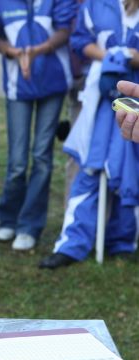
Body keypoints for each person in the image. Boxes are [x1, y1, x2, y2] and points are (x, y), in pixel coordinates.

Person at [39, 0, 139, 269]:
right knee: (90, 167)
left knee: (130, 167)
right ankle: (72, 243)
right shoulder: (95, 4)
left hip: (136, 98)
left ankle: (122, 241)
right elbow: (80, 40)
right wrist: (112, 56)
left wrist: (132, 57)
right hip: (101, 99)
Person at [0, 0, 75, 251]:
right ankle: (9, 219)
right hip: (18, 84)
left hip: (53, 82)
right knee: (17, 160)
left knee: (41, 156)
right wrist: (12, 52)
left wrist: (38, 50)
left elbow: (65, 30)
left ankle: (29, 226)